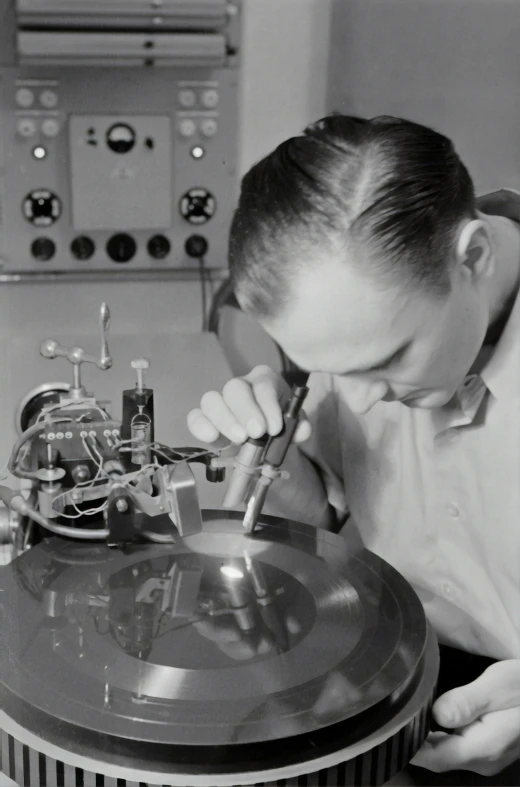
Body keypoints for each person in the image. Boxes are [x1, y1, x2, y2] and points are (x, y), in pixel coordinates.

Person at [187, 115, 520, 782]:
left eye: (387, 359)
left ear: (475, 257)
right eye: (333, 369)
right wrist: (277, 462)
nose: (362, 402)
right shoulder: (368, 323)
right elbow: (331, 526)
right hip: (392, 681)